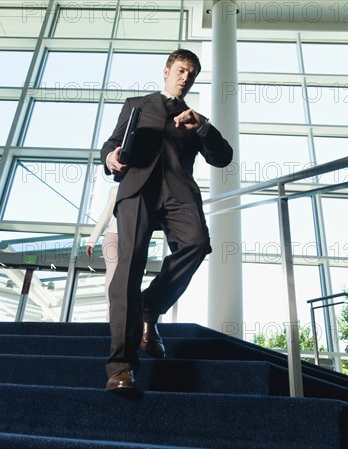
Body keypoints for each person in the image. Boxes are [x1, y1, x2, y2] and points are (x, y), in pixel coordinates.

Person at [101, 49, 234, 393]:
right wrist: (111, 157)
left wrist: (204, 128)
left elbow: (223, 157)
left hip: (178, 194)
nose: (185, 77)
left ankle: (150, 306)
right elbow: (112, 145)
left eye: (191, 73)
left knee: (197, 244)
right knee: (130, 265)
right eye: (180, 70)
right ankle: (122, 368)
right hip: (138, 190)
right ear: (166, 71)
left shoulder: (194, 118)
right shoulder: (137, 104)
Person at [85, 184, 119, 321]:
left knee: (127, 277)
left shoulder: (145, 187)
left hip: (132, 240)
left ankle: (124, 314)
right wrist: (92, 240)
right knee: (113, 270)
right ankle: (111, 312)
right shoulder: (116, 189)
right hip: (112, 237)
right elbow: (106, 214)